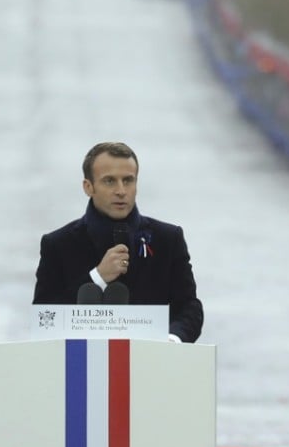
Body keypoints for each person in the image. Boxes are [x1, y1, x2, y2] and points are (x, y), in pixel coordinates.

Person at [33, 141, 203, 343]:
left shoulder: (167, 238)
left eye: (128, 180)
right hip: (80, 367)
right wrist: (97, 277)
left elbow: (188, 307)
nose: (121, 190)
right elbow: (44, 318)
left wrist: (172, 340)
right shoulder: (58, 244)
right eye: (109, 181)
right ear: (88, 187)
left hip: (152, 364)